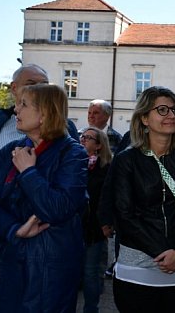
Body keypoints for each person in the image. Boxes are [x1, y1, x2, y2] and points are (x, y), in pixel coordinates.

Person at [0, 84, 87, 313]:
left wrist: (29, 173)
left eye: (23, 104)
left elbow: (58, 208)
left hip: (45, 269)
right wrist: (14, 229)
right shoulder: (11, 150)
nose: (16, 110)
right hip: (2, 257)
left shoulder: (72, 153)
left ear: (44, 113)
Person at [110, 86, 175, 313]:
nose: (171, 115)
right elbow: (124, 215)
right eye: (162, 110)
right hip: (137, 270)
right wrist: (163, 253)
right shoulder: (127, 160)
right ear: (144, 117)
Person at [78, 127, 111, 313]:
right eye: (82, 136)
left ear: (98, 146)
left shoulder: (106, 168)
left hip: (94, 230)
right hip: (72, 227)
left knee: (90, 273)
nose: (83, 140)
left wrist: (107, 225)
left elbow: (109, 199)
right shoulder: (74, 163)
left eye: (88, 138)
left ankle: (91, 309)